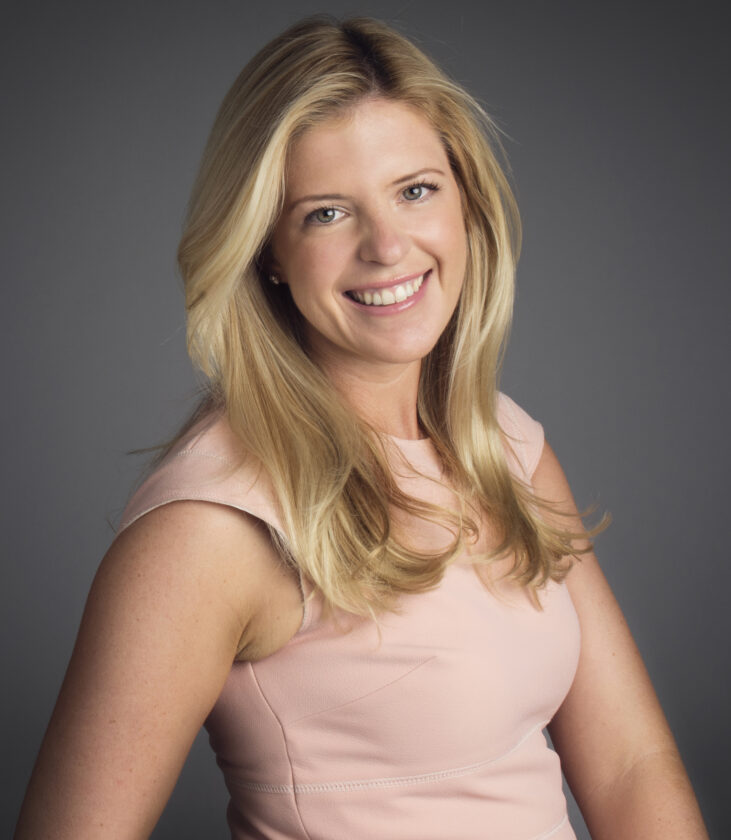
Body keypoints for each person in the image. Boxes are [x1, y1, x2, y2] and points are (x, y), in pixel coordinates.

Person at [15, 15, 708, 840]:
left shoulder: (506, 445)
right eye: (326, 213)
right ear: (266, 249)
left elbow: (631, 765)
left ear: (464, 202)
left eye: (415, 191)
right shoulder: (211, 528)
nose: (387, 246)